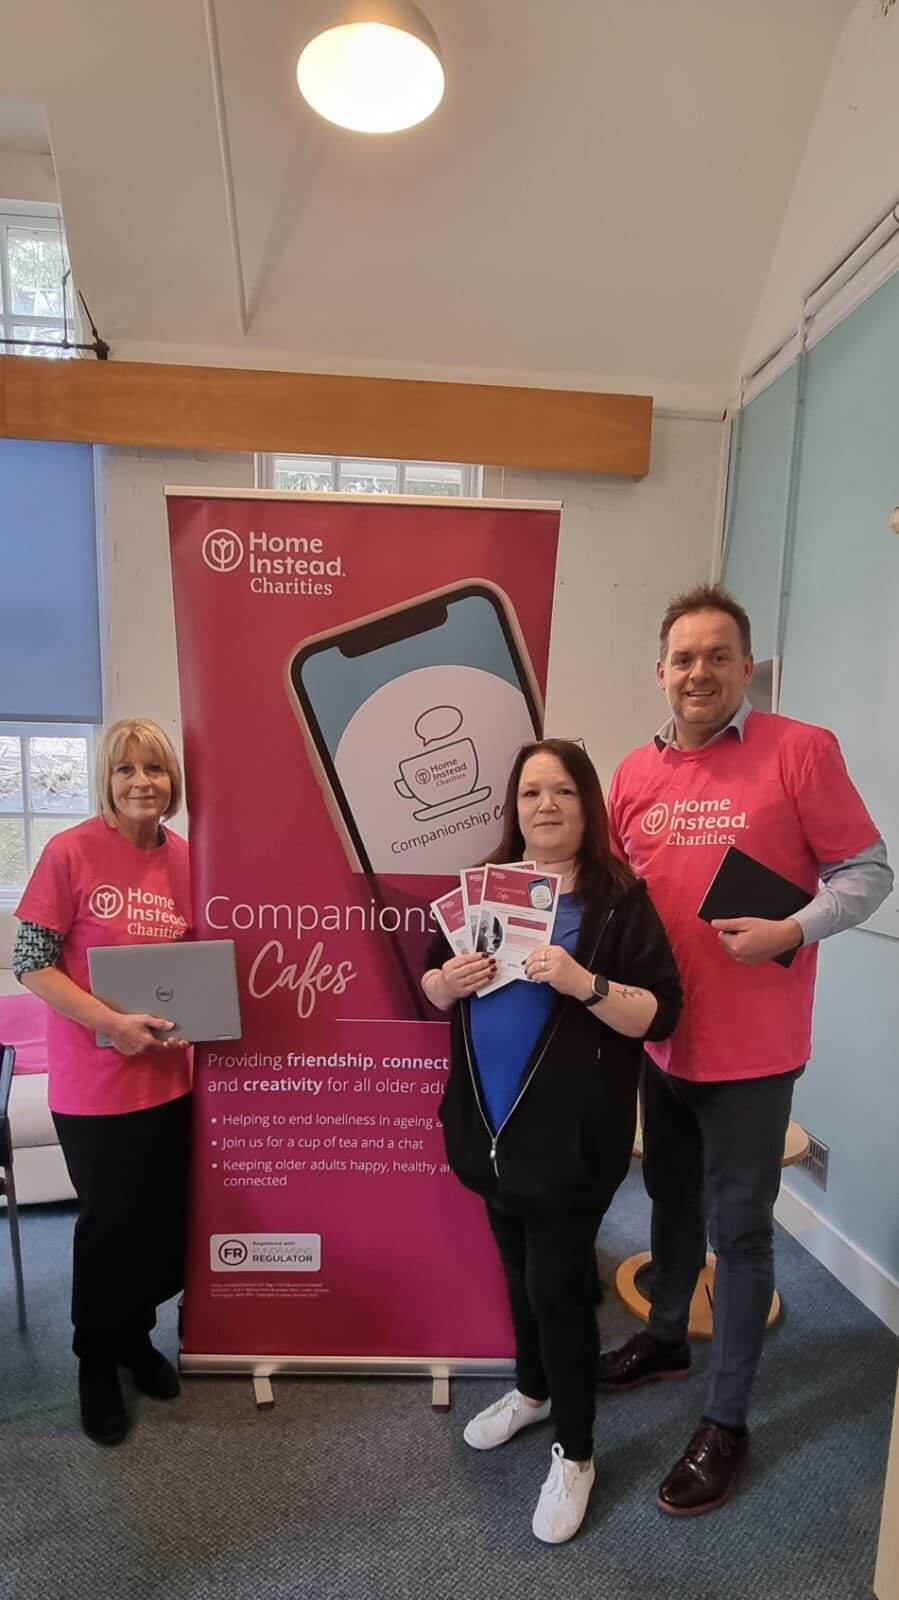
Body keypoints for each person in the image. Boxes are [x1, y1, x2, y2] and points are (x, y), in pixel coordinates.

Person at [600, 583, 893, 1517]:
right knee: (669, 1206)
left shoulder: (799, 752)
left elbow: (868, 871)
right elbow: (611, 892)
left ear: (744, 666)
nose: (698, 672)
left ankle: (726, 1420)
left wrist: (792, 930)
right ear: (659, 671)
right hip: (662, 1041)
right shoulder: (630, 774)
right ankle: (669, 1339)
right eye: (682, 657)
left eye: (717, 656)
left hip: (754, 1052)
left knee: (742, 1232)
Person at [422, 740, 682, 1544]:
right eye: (530, 792)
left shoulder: (618, 901)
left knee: (560, 1295)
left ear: (587, 804)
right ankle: (533, 1394)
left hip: (569, 1145)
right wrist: (447, 983)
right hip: (488, 1131)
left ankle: (575, 1451)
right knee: (516, 1274)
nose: (544, 806)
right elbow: (428, 986)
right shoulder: (477, 891)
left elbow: (660, 1013)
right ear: (514, 806)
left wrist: (582, 982)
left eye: (562, 791)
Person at [13, 718, 194, 1446]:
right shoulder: (71, 852)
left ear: (172, 781)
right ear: (107, 781)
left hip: (171, 1080)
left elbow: (195, 964)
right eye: (126, 770)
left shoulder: (186, 858)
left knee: (155, 1223)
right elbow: (32, 962)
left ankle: (134, 1339)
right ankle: (94, 1358)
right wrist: (111, 1023)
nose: (141, 782)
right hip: (94, 1086)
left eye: (154, 768)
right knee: (109, 1225)